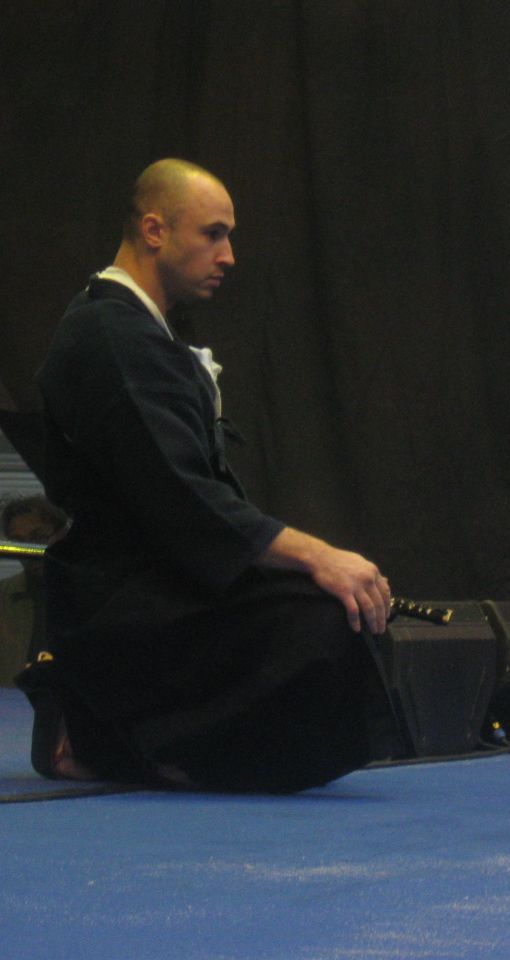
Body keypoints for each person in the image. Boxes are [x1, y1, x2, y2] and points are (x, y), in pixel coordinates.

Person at [18, 158, 402, 792]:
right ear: (154, 230)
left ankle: (135, 741)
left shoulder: (142, 331)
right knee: (323, 624)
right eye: (213, 234)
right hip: (119, 600)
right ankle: (98, 733)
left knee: (342, 612)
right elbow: (180, 497)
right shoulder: (109, 335)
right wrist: (318, 555)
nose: (228, 255)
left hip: (164, 580)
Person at [0, 496, 67, 686]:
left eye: (39, 537)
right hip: (16, 702)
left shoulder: (96, 592)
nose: (29, 548)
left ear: (62, 534)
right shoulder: (4, 597)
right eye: (19, 541)